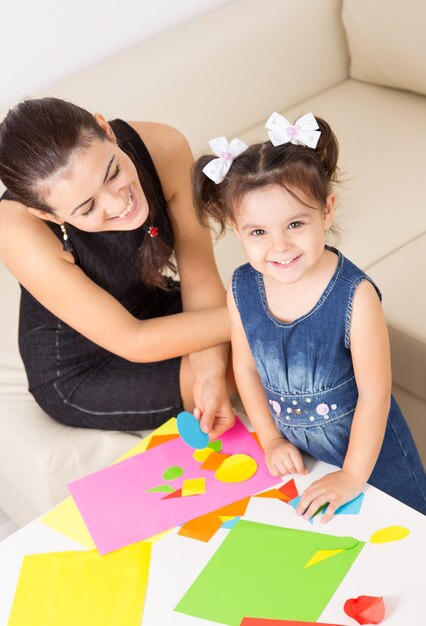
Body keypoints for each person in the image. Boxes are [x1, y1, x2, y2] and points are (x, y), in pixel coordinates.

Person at [192, 112, 426, 519]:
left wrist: (352, 476)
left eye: (296, 224)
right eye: (258, 232)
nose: (280, 246)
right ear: (235, 227)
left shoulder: (356, 296)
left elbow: (375, 395)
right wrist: (269, 440)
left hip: (372, 460)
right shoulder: (243, 288)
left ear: (327, 211)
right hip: (302, 455)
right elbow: (246, 369)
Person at [0, 97, 236, 438]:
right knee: (265, 362)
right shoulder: (16, 230)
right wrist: (266, 312)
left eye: (112, 173)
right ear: (47, 214)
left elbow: (199, 276)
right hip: (86, 368)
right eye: (86, 207)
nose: (118, 202)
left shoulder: (163, 147)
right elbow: (134, 340)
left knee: (279, 342)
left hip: (156, 305)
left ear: (106, 129)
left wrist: (210, 371)